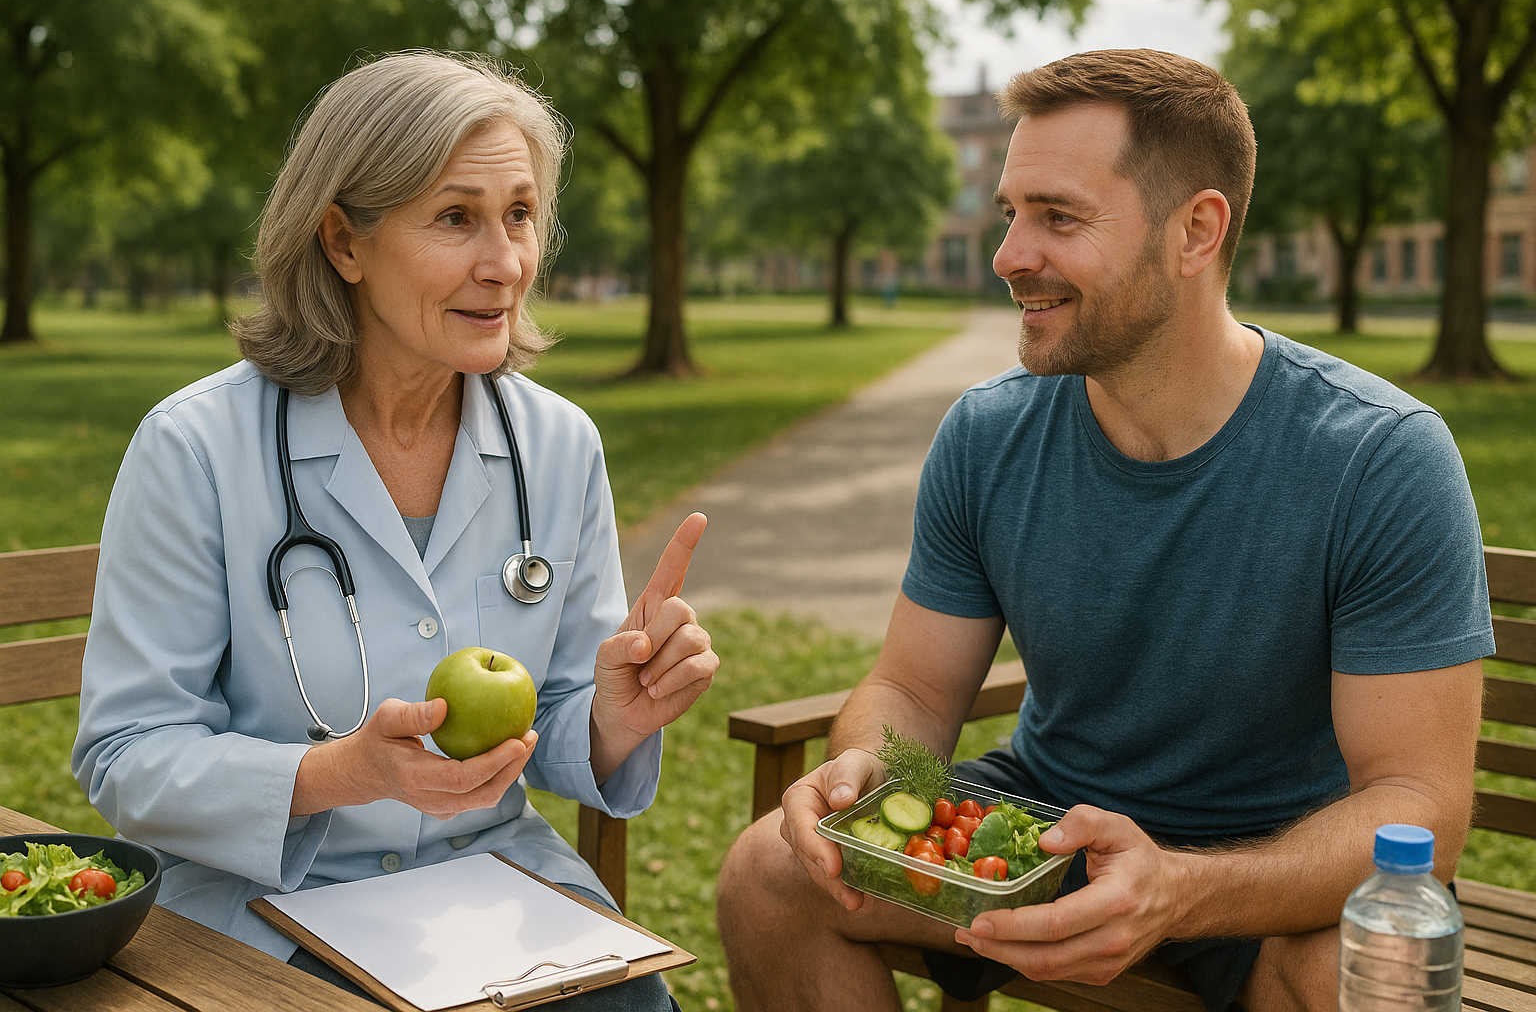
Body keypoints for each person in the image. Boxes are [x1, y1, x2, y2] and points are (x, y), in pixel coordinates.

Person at [716, 49, 1492, 1012]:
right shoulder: (989, 433)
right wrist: (870, 768)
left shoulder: (1380, 457)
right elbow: (913, 686)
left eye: (1058, 216)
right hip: (1041, 835)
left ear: (1196, 231)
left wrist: (1179, 890)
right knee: (769, 876)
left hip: (1280, 869)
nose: (1007, 255)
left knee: (1362, 977)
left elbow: (1416, 809)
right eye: (1010, 213)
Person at [72, 52, 717, 1011]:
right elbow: (125, 752)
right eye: (456, 218)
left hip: (500, 896)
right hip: (273, 907)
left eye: (520, 214)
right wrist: (338, 774)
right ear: (343, 242)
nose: (505, 263)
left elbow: (560, 710)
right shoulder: (196, 448)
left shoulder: (558, 444)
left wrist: (612, 720)